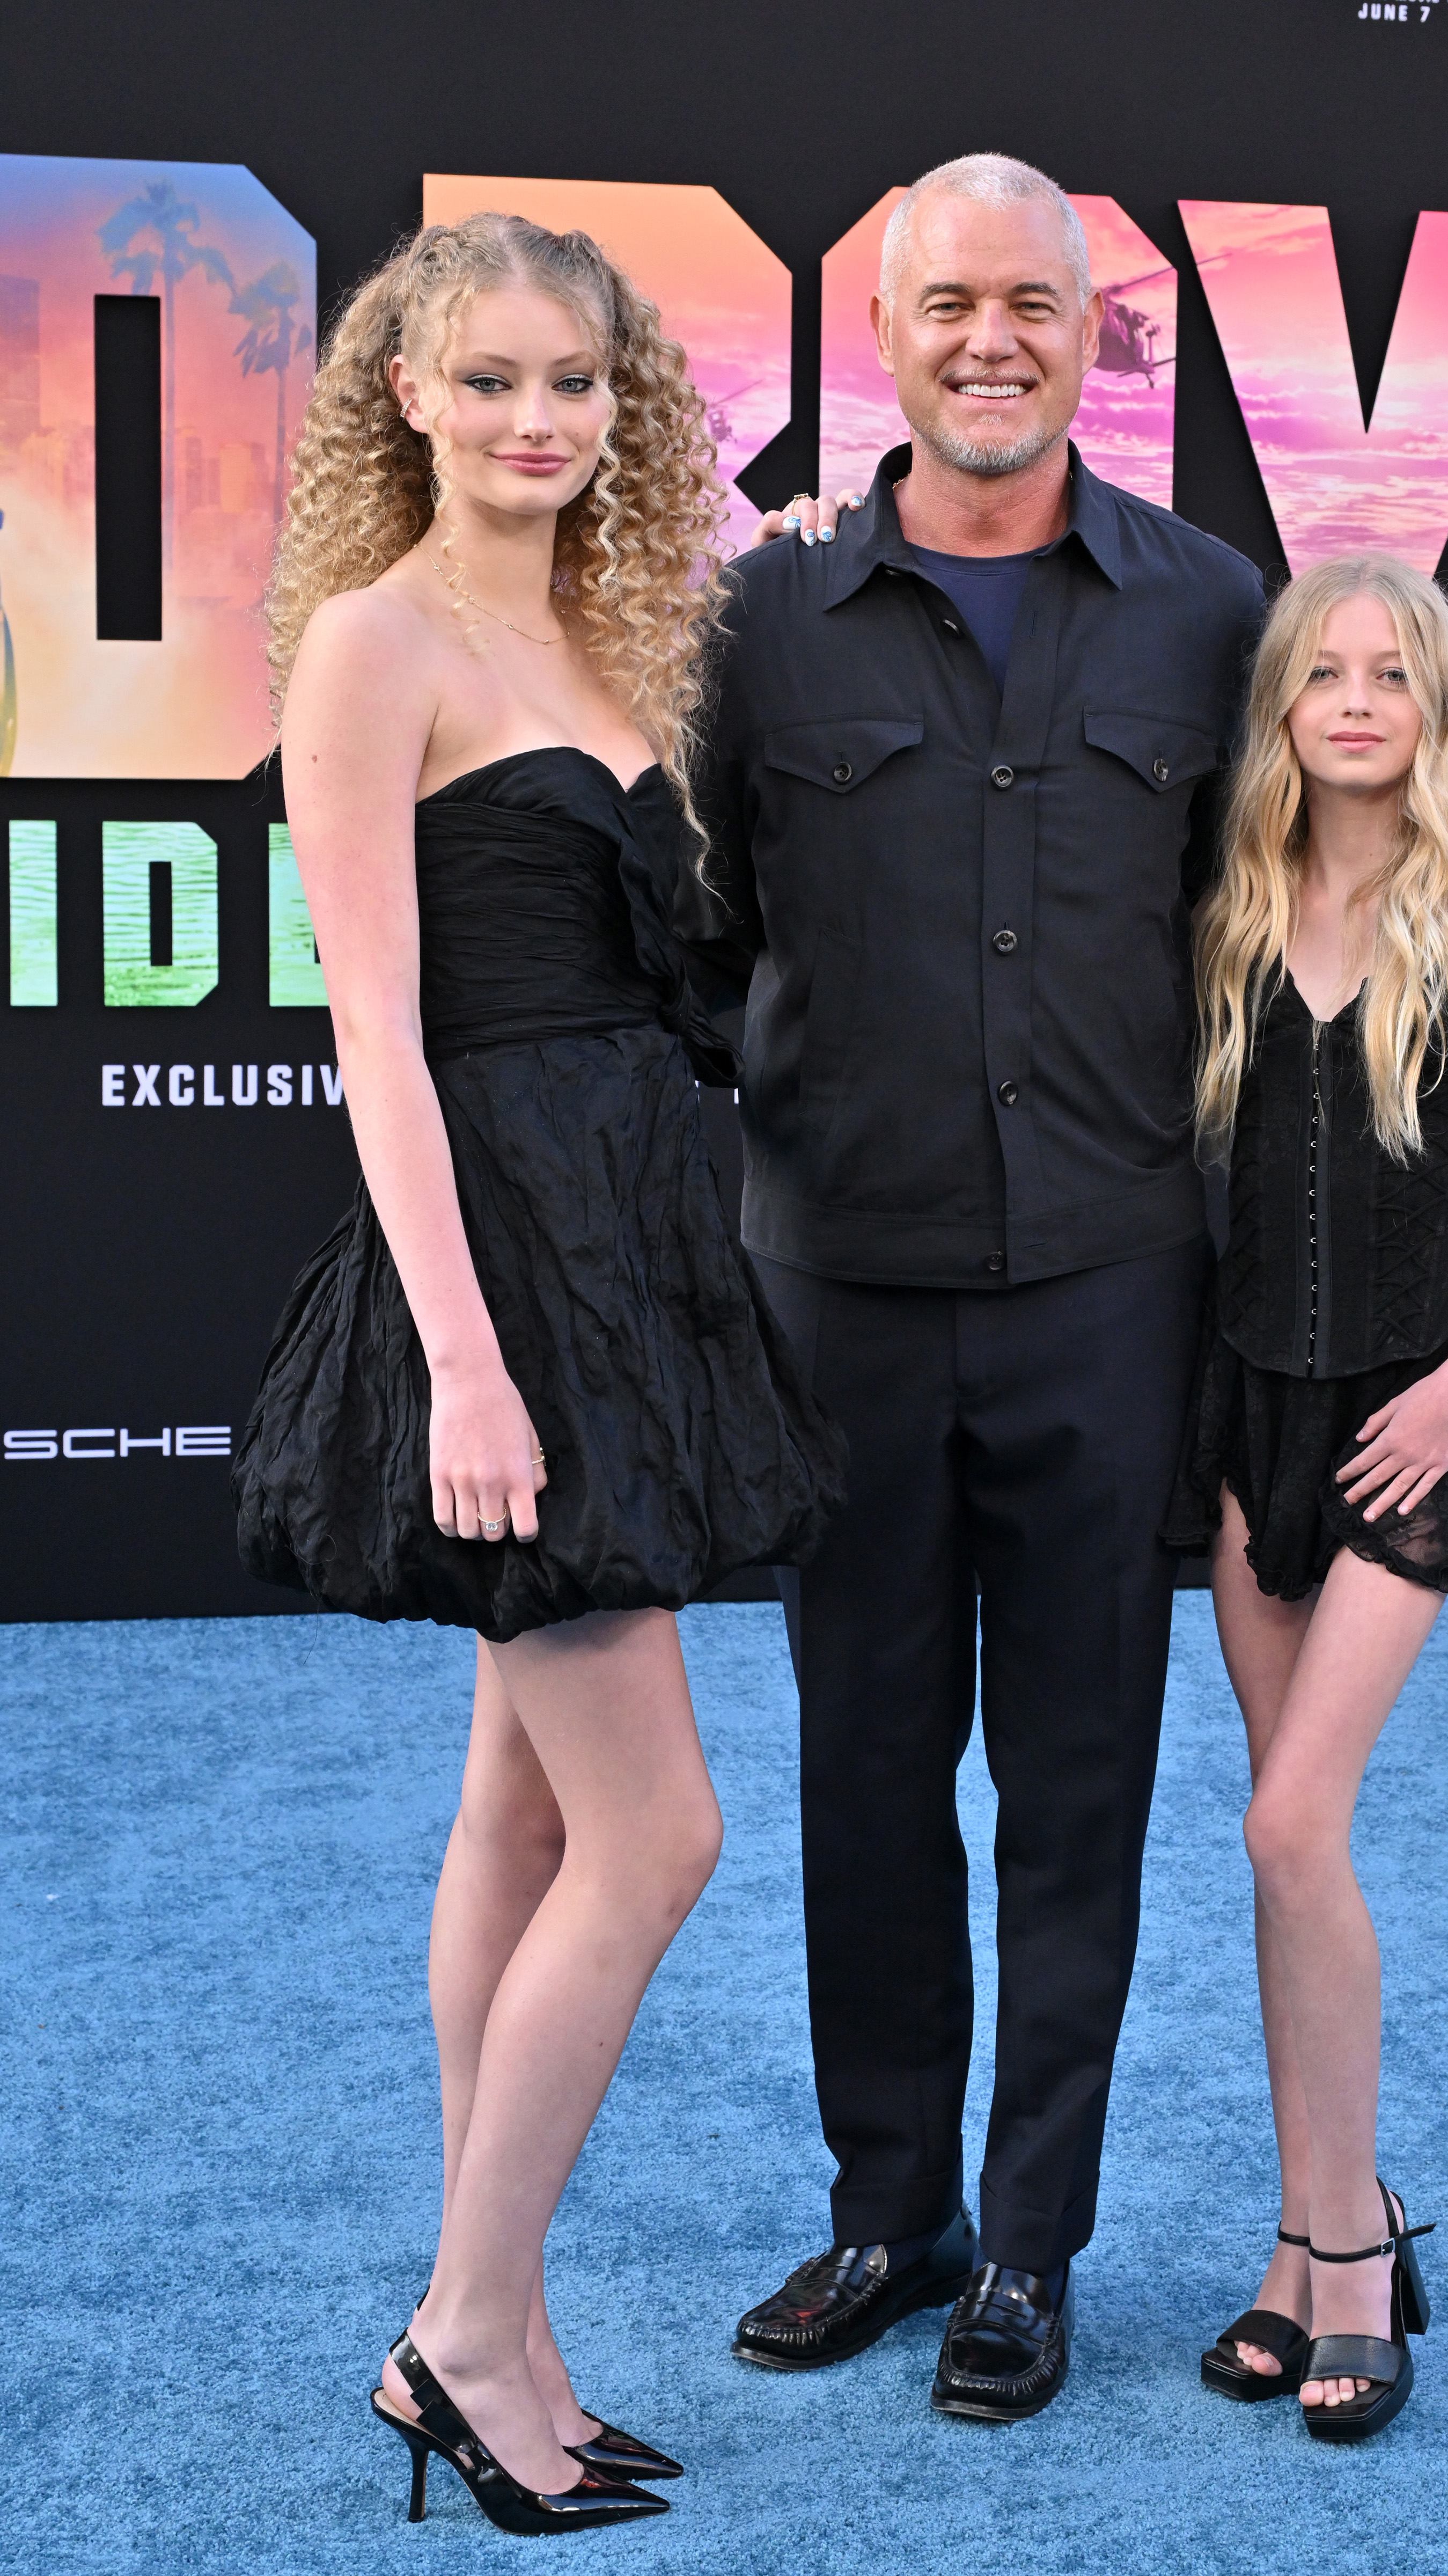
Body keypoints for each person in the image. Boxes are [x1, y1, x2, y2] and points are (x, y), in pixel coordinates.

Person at [233, 213, 842, 2533]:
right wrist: (472, 1370)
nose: (531, 423)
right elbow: (373, 1039)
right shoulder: (373, 645)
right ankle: (463, 2335)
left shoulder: (617, 628)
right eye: (487, 382)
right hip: (506, 1262)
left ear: (622, 408)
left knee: (521, 1810)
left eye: (572, 386)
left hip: (647, 1223)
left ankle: (505, 2317)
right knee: (656, 1827)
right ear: (406, 391)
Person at [677, 153, 1267, 2422]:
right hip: (844, 1291)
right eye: (946, 306)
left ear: (1092, 327)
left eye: (1031, 302)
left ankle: (1027, 2248)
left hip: (1116, 1292)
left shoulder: (1211, 608)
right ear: (883, 329)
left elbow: (1261, 965)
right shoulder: (764, 623)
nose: (988, 340)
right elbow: (712, 946)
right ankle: (882, 2213)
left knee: (1078, 1779)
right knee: (859, 1769)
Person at [1161, 553, 1448, 2440]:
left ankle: (1348, 2254)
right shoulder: (1231, 910)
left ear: (1434, 712)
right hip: (1252, 1403)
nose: (1353, 703)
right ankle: (1311, 2236)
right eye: (1319, 674)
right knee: (1287, 1841)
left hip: (1417, 1415)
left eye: (1389, 677)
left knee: (1286, 1823)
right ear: (1277, 708)